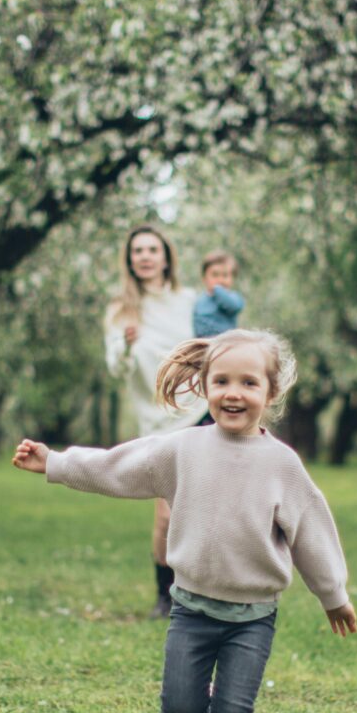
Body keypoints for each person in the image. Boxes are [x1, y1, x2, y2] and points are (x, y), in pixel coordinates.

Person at [13, 328, 357, 713]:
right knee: (180, 706)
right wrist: (56, 462)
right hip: (191, 610)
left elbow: (312, 534)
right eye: (221, 381)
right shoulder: (183, 450)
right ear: (204, 386)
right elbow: (118, 467)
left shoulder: (282, 465)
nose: (233, 393)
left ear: (271, 392)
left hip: (252, 617)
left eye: (248, 383)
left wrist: (333, 595)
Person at [105, 224, 208, 617]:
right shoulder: (121, 309)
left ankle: (202, 593)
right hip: (158, 421)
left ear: (166, 256)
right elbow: (115, 366)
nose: (145, 256)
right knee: (166, 515)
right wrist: (127, 345)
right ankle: (165, 596)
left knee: (204, 508)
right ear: (130, 261)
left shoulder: (189, 300)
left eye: (152, 249)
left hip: (200, 411)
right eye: (138, 251)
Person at [193, 250, 245, 338]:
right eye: (215, 275)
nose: (220, 280)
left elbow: (234, 306)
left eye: (225, 275)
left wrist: (218, 290)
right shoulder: (200, 300)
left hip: (225, 344)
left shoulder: (233, 297)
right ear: (204, 278)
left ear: (233, 278)